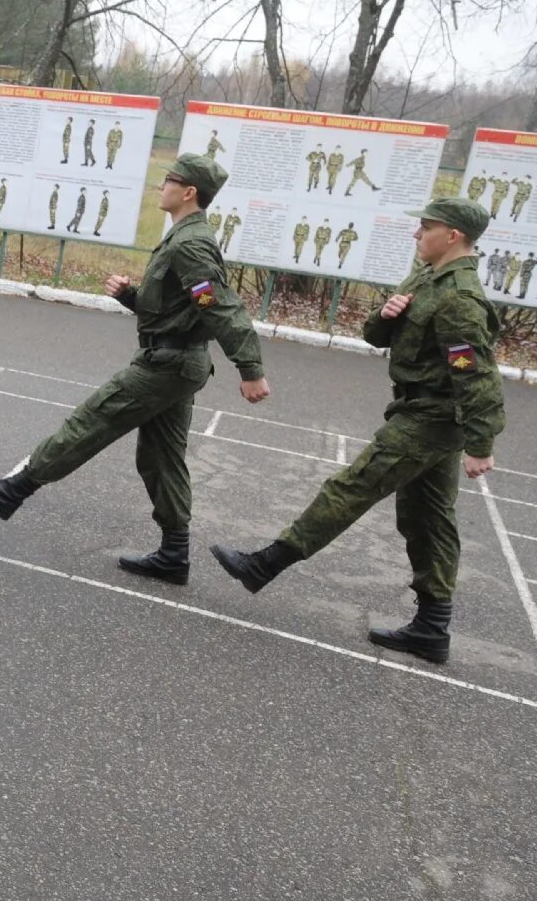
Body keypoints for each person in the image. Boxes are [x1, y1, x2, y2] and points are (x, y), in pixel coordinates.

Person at [210, 198, 504, 664]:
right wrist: (386, 316)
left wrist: (481, 441)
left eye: (425, 228)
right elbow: (375, 335)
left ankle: (264, 564)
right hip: (419, 411)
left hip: (429, 419)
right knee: (428, 520)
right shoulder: (426, 276)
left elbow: (473, 371)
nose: (416, 234)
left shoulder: (460, 300)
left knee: (351, 487)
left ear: (452, 236)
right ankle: (432, 628)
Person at [0, 154, 270, 584]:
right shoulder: (183, 237)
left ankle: (14, 490)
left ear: (189, 192)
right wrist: (132, 296)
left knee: (94, 417)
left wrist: (250, 367)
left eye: (169, 180)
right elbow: (178, 306)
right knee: (161, 457)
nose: (161, 187)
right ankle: (174, 554)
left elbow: (216, 305)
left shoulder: (190, 242)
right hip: (179, 359)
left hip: (169, 363)